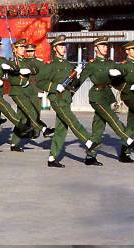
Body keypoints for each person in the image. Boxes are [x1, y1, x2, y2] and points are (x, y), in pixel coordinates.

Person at [37, 35, 102, 167]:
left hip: (66, 99)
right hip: (57, 99)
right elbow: (39, 82)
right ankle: (88, 142)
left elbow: (73, 85)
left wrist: (77, 75)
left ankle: (52, 158)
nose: (63, 48)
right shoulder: (50, 65)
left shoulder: (67, 65)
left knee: (61, 129)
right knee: (72, 121)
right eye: (60, 46)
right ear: (55, 49)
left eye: (64, 46)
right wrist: (55, 87)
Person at [79, 36, 134, 165]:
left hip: (107, 95)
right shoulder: (92, 65)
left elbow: (121, 78)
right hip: (96, 96)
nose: (105, 48)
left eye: (106, 46)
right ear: (96, 48)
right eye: (102, 46)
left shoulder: (111, 63)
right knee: (113, 118)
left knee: (98, 127)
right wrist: (67, 93)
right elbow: (78, 81)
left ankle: (90, 157)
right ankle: (128, 142)